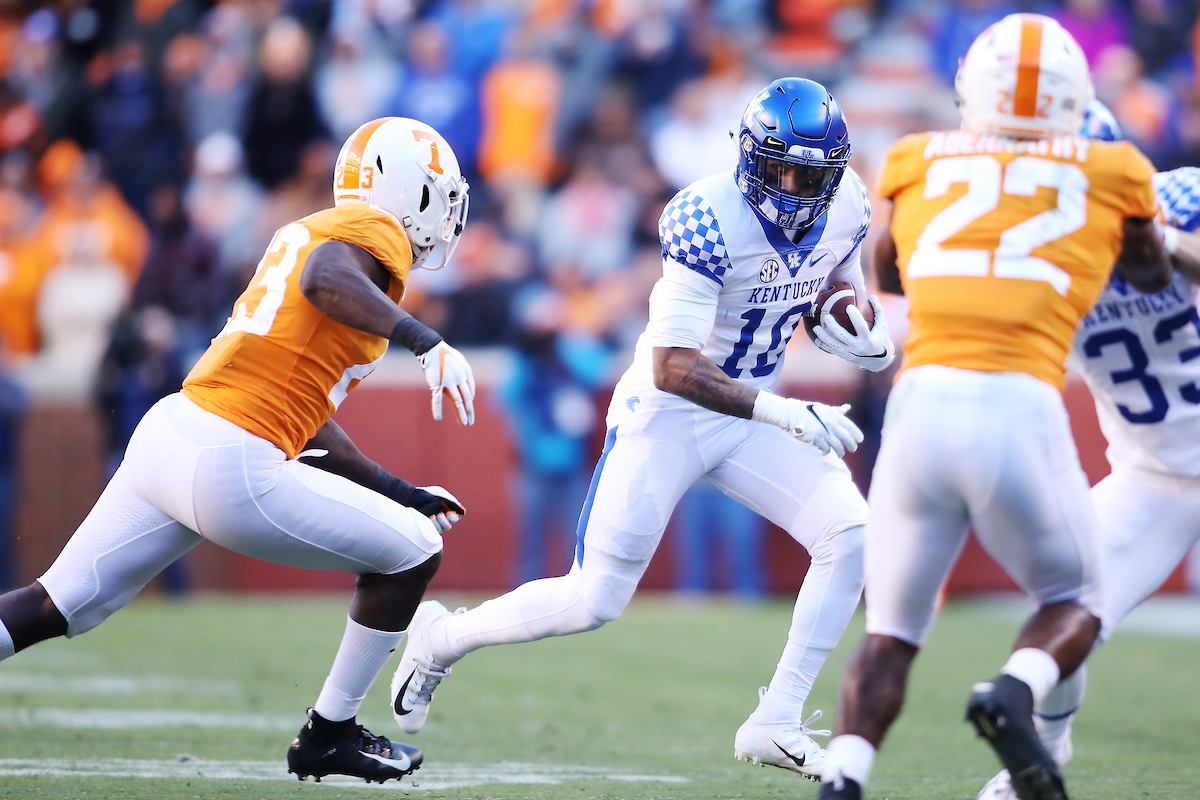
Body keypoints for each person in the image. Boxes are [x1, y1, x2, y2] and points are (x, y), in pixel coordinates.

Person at [391, 77, 897, 780]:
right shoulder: (705, 217)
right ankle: (442, 638)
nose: (796, 189)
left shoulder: (846, 204)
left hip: (753, 410)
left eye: (812, 175)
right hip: (676, 413)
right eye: (783, 170)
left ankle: (776, 718)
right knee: (594, 598)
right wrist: (784, 410)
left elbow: (835, 284)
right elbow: (673, 367)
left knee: (850, 534)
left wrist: (857, 329)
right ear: (750, 159)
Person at [0, 117, 476, 785]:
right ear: (409, 191)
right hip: (229, 460)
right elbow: (323, 276)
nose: (449, 214)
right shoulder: (370, 233)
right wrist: (423, 340)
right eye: (442, 195)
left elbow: (306, 417)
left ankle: (331, 735)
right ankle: (329, 735)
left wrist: (399, 490)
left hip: (174, 433)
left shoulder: (310, 230)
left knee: (56, 603)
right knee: (414, 554)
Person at [818, 16, 1174, 800]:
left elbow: (890, 272)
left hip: (919, 406)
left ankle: (844, 777)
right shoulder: (1114, 166)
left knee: (890, 634)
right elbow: (1149, 273)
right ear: (1076, 97)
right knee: (1077, 599)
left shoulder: (914, 155)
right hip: (1019, 402)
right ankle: (1013, 691)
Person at [975, 105, 1200, 800]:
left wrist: (1163, 248)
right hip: (1156, 475)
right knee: (1065, 599)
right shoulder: (1031, 261)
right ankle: (1045, 746)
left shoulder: (1183, 199)